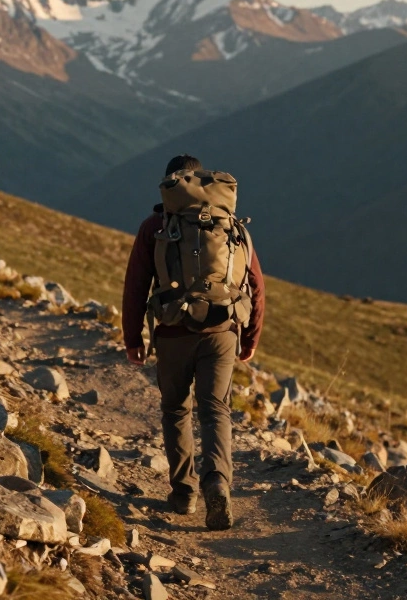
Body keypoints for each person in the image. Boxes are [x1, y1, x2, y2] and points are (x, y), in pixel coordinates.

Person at [122, 154, 265, 531]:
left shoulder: (155, 225)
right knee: (215, 409)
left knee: (175, 410)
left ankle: (184, 493)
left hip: (172, 331)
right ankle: (217, 481)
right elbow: (255, 285)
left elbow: (135, 285)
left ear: (169, 182)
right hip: (222, 330)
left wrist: (132, 336)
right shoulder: (231, 225)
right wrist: (249, 336)